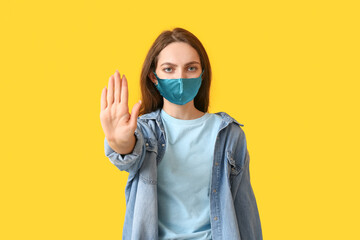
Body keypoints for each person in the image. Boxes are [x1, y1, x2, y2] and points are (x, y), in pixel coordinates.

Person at [100, 27, 263, 240]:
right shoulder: (144, 131)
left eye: (191, 68)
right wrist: (119, 143)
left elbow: (245, 208)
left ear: (202, 74)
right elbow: (128, 153)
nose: (180, 77)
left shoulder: (229, 134)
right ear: (154, 77)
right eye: (169, 69)